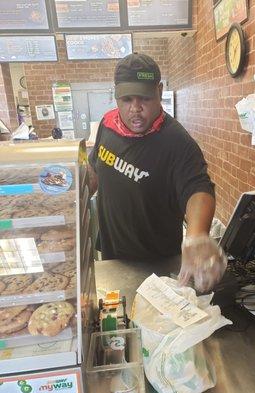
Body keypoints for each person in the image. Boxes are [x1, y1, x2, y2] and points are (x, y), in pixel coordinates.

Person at [88, 53, 226, 292]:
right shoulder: (107, 124)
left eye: (145, 98)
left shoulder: (176, 141)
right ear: (116, 95)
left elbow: (198, 190)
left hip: (158, 265)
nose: (135, 109)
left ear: (160, 91)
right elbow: (94, 173)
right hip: (112, 257)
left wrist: (196, 235)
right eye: (127, 99)